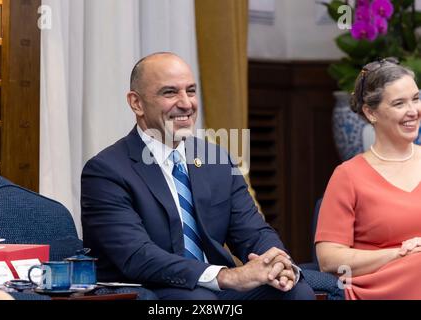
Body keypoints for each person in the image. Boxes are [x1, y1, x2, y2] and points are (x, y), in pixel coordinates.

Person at [81, 52, 314, 300]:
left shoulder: (216, 160)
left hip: (215, 289)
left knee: (295, 293)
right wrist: (227, 276)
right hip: (150, 289)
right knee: (198, 301)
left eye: (190, 91)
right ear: (136, 103)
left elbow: (253, 232)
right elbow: (137, 256)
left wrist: (277, 262)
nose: (186, 103)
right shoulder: (106, 171)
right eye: (170, 93)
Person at [315, 57, 421, 299]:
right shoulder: (348, 176)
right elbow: (328, 259)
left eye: (415, 99)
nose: (413, 111)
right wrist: (400, 254)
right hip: (378, 285)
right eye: (399, 103)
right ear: (370, 112)